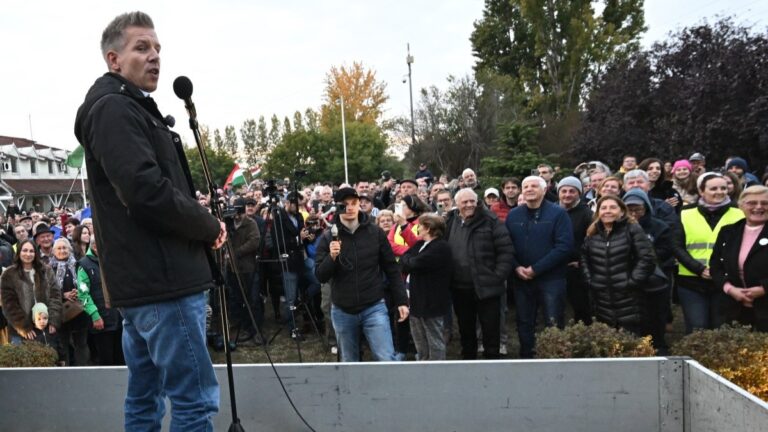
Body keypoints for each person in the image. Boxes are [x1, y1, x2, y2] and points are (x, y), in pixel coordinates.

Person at [74, 11, 225, 430]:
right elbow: (146, 193)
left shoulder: (128, 108)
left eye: (158, 48)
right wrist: (208, 225)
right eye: (142, 47)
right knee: (193, 403)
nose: (155, 56)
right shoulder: (114, 111)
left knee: (145, 399)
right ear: (113, 60)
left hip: (149, 286)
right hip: (164, 284)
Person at [315, 187, 409, 362]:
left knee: (386, 358)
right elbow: (320, 275)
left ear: (360, 205)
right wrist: (332, 257)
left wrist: (401, 300)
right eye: (345, 204)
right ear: (337, 207)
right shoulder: (328, 237)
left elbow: (391, 268)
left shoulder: (375, 233)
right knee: (349, 362)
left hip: (374, 306)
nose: (350, 208)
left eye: (354, 203)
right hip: (343, 309)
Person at [506, 176, 573, 358]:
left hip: (551, 279)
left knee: (554, 322)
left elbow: (564, 246)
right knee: (524, 322)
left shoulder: (558, 214)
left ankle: (555, 358)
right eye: (525, 186)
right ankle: (527, 358)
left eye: (534, 186)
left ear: (544, 190)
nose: (529, 189)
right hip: (522, 280)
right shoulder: (513, 215)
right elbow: (506, 245)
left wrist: (536, 269)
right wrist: (516, 267)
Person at [445, 188, 514, 359]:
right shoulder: (450, 221)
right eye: (465, 202)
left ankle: (492, 366)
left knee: (491, 331)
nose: (469, 205)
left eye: (472, 201)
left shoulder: (490, 220)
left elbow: (506, 251)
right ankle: (468, 363)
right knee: (466, 330)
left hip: (487, 287)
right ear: (456, 204)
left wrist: (497, 276)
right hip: (459, 287)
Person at [673, 172, 745, 333]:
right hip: (691, 281)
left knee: (721, 328)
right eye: (713, 188)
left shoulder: (739, 213)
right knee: (697, 327)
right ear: (701, 191)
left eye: (723, 188)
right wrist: (698, 268)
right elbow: (677, 246)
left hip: (726, 282)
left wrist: (719, 271)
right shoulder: (686, 213)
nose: (719, 192)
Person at [581, 196, 656, 334]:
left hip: (629, 298)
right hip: (601, 298)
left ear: (622, 211)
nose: (607, 211)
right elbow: (584, 258)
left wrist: (632, 282)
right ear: (598, 212)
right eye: (603, 208)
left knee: (631, 343)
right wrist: (590, 280)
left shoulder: (632, 229)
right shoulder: (593, 233)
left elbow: (647, 258)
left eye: (612, 207)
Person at [710, 185, 768, 332]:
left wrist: (764, 289)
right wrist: (730, 289)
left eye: (765, 203)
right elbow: (716, 266)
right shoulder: (728, 232)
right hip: (735, 307)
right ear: (741, 206)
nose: (759, 207)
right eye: (752, 203)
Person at [400, 213, 453, 360]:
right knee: (420, 340)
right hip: (416, 301)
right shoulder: (420, 244)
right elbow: (404, 262)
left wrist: (409, 261)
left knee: (434, 340)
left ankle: (437, 371)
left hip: (431, 303)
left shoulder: (440, 247)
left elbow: (413, 263)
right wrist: (409, 261)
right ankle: (422, 366)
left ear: (428, 228)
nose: (417, 228)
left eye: (420, 226)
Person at [0, 240, 62, 345]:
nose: (28, 254)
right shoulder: (8, 275)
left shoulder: (46, 271)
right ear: (19, 253)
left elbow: (55, 296)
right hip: (20, 332)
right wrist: (23, 326)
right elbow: (9, 304)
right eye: (24, 250)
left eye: (31, 251)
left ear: (36, 253)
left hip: (45, 328)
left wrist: (53, 319)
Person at [77, 239, 124, 365]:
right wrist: (94, 315)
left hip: (120, 318)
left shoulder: (113, 259)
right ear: (95, 247)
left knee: (122, 359)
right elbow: (83, 294)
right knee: (106, 361)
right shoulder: (84, 264)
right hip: (101, 320)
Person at [557, 176, 593, 324]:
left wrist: (581, 261)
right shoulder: (552, 210)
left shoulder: (587, 214)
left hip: (576, 266)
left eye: (572, 191)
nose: (567, 194)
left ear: (579, 193)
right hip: (554, 266)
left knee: (580, 306)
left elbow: (590, 241)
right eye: (563, 191)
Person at [50, 238, 91, 366]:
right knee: (63, 345)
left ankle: (83, 370)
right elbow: (47, 291)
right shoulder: (49, 268)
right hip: (60, 312)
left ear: (70, 249)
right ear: (53, 251)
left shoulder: (79, 265)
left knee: (81, 343)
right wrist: (63, 295)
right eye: (59, 248)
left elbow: (87, 283)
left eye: (65, 248)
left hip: (80, 312)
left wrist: (80, 291)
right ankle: (66, 371)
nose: (62, 250)